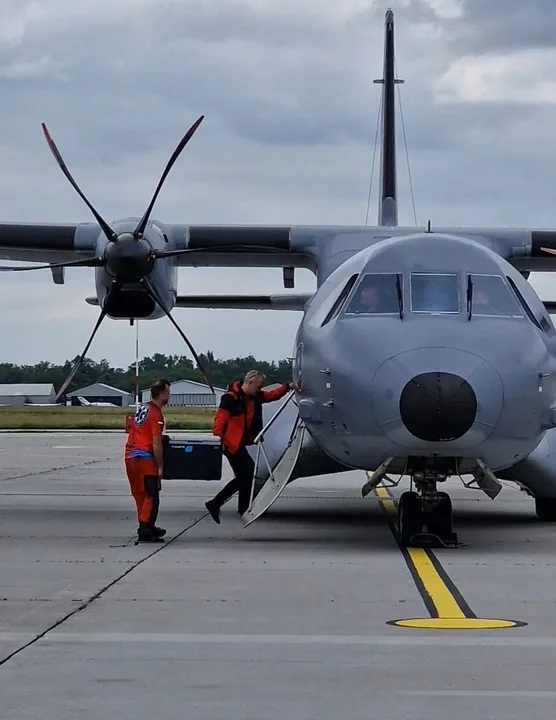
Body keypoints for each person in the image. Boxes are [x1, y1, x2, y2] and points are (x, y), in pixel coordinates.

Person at [205, 370, 294, 523]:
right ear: (250, 382)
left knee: (245, 475)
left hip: (239, 442)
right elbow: (220, 421)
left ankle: (239, 507)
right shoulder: (231, 398)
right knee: (247, 474)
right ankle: (218, 503)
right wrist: (218, 442)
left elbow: (271, 395)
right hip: (230, 444)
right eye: (259, 386)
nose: (260, 389)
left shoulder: (255, 397)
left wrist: (288, 387)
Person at [124, 378, 171, 543]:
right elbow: (156, 444)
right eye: (168, 393)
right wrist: (160, 466)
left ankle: (146, 525)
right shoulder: (156, 414)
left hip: (130, 456)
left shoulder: (142, 408)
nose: (169, 396)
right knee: (151, 496)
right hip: (145, 458)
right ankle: (146, 529)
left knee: (139, 494)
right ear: (163, 394)